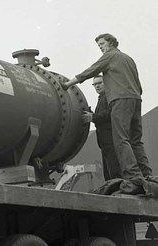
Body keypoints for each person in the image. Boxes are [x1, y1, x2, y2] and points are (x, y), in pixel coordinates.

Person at [63, 33, 153, 191]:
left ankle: (132, 175)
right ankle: (147, 174)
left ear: (111, 43)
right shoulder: (129, 59)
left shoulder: (110, 56)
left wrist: (68, 84)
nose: (101, 47)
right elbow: (139, 86)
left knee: (120, 139)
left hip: (119, 100)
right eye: (99, 45)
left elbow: (90, 71)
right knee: (136, 140)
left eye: (102, 44)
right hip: (136, 99)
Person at [82, 76, 121, 180]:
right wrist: (93, 115)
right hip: (105, 141)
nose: (97, 86)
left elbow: (110, 114)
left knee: (113, 169)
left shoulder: (109, 96)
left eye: (99, 83)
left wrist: (93, 117)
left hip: (111, 139)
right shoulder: (102, 97)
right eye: (95, 84)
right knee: (109, 170)